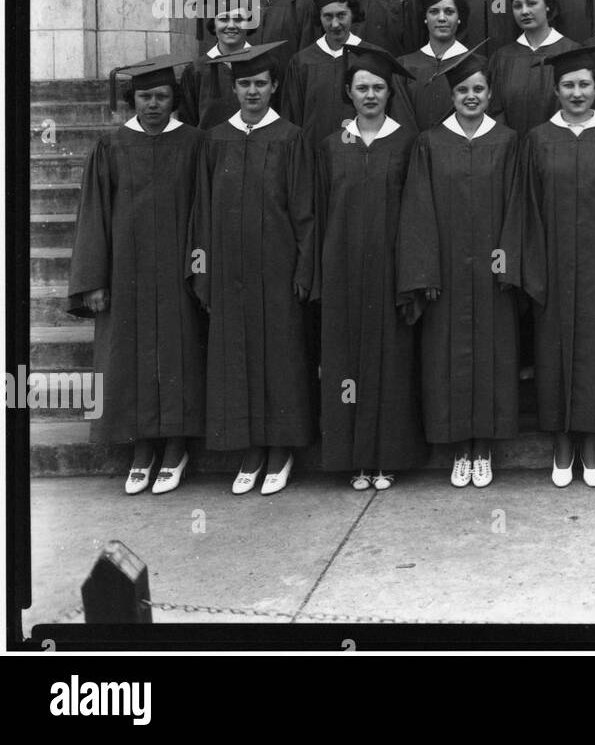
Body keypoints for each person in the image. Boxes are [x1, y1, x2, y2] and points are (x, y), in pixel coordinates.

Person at [68, 52, 206, 495]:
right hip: (125, 275)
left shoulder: (194, 142)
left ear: (174, 99)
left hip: (178, 274)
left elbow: (205, 212)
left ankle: (175, 448)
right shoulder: (110, 146)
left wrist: (201, 270)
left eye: (161, 96)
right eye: (145, 96)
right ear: (132, 100)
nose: (152, 104)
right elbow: (93, 217)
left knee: (178, 356)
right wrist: (93, 280)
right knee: (130, 361)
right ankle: (142, 450)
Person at [189, 42, 316, 496]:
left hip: (278, 270)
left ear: (275, 86)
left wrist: (305, 268)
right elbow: (201, 212)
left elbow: (304, 211)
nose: (252, 91)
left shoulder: (291, 137)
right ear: (233, 86)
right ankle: (250, 449)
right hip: (228, 272)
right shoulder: (215, 139)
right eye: (244, 83)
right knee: (236, 359)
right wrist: (202, 273)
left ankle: (280, 448)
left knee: (279, 358)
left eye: (261, 83)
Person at [504, 47, 595, 488]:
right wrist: (532, 271)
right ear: (555, 90)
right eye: (568, 85)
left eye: (584, 85)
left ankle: (592, 439)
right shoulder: (537, 139)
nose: (577, 93)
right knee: (552, 350)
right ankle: (560, 439)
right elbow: (527, 207)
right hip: (553, 266)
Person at [398, 49, 521, 488]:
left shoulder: (507, 142)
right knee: (445, 358)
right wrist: (425, 274)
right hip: (446, 275)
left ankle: (483, 446)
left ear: (491, 95)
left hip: (491, 274)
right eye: (463, 90)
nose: (471, 97)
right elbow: (418, 212)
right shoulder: (430, 143)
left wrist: (508, 268)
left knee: (491, 356)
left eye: (479, 90)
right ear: (452, 95)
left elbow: (517, 209)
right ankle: (457, 447)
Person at [314, 43, 426, 491]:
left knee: (390, 364)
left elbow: (417, 211)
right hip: (342, 269)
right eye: (362, 87)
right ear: (348, 92)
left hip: (389, 269)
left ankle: (386, 458)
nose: (371, 95)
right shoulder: (331, 144)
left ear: (389, 92)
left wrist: (413, 273)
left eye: (378, 87)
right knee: (345, 365)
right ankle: (354, 460)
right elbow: (320, 210)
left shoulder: (407, 142)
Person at [283, 0, 415, 146]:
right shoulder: (302, 62)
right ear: (319, 18)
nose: (335, 24)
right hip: (312, 157)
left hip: (363, 156)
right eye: (328, 17)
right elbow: (293, 119)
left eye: (341, 15)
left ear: (352, 15)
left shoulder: (374, 57)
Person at [487, 0, 581, 134]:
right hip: (514, 152)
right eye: (517, 6)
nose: (524, 11)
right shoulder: (502, 58)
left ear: (547, 6)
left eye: (531, 3)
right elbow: (495, 112)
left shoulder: (571, 52)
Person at [396, 0, 473, 131]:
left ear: (459, 18)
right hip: (413, 150)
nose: (442, 18)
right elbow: (402, 119)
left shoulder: (475, 65)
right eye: (434, 12)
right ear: (425, 18)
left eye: (449, 12)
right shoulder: (404, 66)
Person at [178, 0, 255, 129]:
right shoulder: (196, 70)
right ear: (213, 25)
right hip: (209, 148)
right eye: (223, 19)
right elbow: (188, 122)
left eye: (238, 19)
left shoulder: (264, 63)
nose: (231, 26)